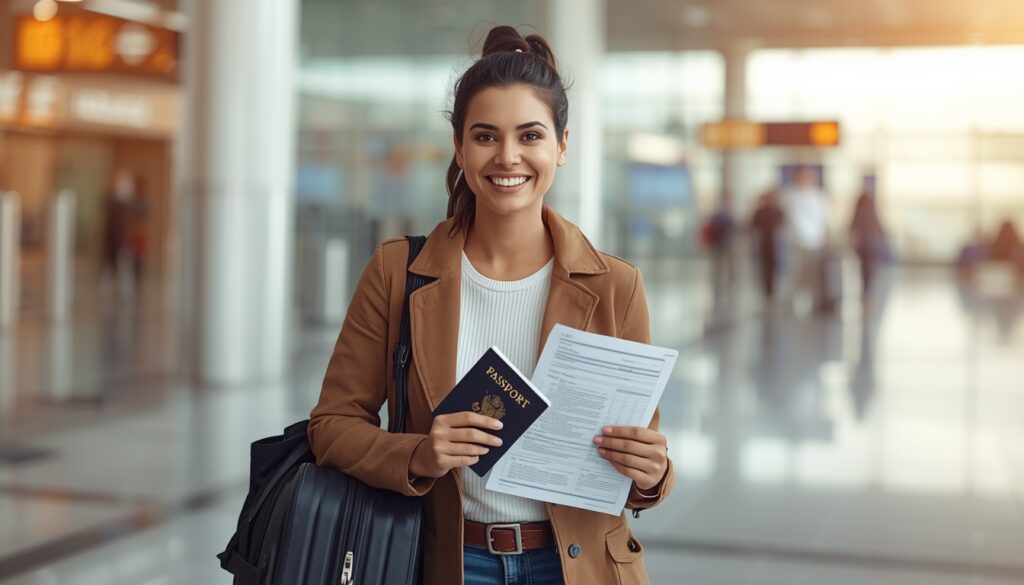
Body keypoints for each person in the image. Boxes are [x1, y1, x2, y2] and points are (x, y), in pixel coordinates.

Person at [307, 26, 673, 585]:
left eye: (530, 136)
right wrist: (418, 455)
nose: (508, 157)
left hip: (578, 565)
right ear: (459, 146)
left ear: (562, 146)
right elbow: (332, 425)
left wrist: (653, 472)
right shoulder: (397, 273)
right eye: (485, 136)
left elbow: (640, 451)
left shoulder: (614, 286)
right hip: (451, 562)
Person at [781, 166, 830, 311]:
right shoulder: (791, 196)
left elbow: (823, 219)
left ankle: (815, 301)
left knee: (813, 274)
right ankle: (792, 300)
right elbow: (791, 220)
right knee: (796, 273)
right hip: (797, 242)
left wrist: (824, 236)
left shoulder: (818, 197)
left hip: (815, 243)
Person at [848, 185, 887, 305]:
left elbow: (851, 228)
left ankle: (865, 295)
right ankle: (867, 295)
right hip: (871, 248)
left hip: (863, 248)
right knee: (870, 272)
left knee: (864, 272)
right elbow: (880, 230)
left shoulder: (860, 212)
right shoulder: (871, 213)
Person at [750, 188, 785, 301]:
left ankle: (772, 291)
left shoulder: (777, 211)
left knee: (775, 269)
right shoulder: (761, 211)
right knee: (766, 269)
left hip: (775, 245)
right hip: (765, 245)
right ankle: (768, 291)